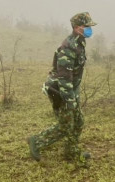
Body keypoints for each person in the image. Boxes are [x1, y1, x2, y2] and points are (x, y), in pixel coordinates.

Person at [28, 12, 97, 166]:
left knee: (78, 121)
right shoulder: (68, 47)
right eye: (87, 27)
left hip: (72, 89)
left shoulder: (80, 42)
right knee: (66, 126)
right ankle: (36, 141)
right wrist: (70, 101)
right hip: (61, 91)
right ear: (78, 28)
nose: (90, 30)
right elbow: (64, 78)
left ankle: (71, 151)